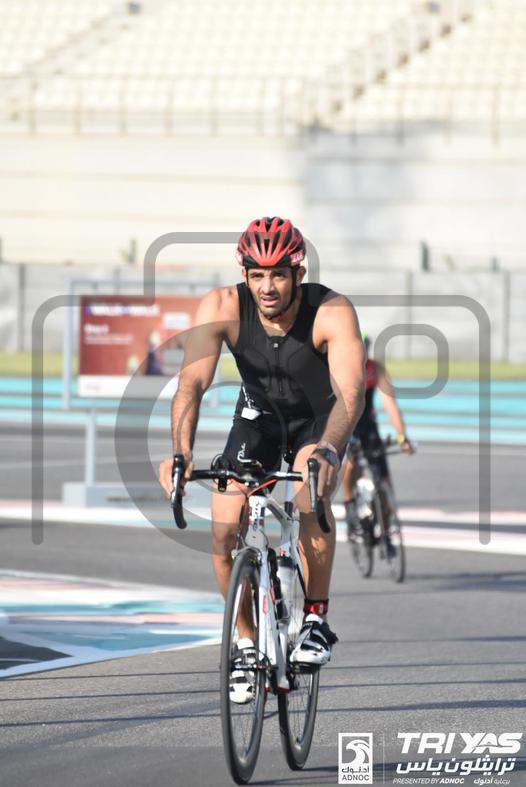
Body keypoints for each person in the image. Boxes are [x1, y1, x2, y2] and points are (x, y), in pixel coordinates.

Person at [159, 217, 365, 699]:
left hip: (317, 420)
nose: (267, 287)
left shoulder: (331, 311)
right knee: (223, 527)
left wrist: (329, 449)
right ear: (244, 274)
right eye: (257, 275)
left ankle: (315, 619)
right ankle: (246, 642)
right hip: (257, 420)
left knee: (310, 496)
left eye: (277, 275)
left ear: (298, 273)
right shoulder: (222, 307)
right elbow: (191, 385)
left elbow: (351, 394)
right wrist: (181, 452)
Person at [341, 334, 414, 537]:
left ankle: (386, 524)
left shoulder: (375, 369)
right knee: (351, 462)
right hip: (347, 424)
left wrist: (402, 436)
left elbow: (390, 405)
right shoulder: (341, 367)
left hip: (368, 426)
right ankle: (349, 504)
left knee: (383, 476)